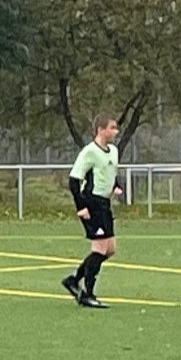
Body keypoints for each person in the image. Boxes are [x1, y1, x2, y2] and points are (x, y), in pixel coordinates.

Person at [63, 113, 122, 309]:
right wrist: (81, 207)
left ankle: (73, 280)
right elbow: (74, 181)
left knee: (110, 249)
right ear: (100, 130)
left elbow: (111, 171)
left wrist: (115, 186)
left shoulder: (113, 151)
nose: (116, 132)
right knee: (100, 248)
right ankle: (88, 294)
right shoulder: (89, 152)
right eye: (112, 128)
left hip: (104, 204)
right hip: (92, 203)